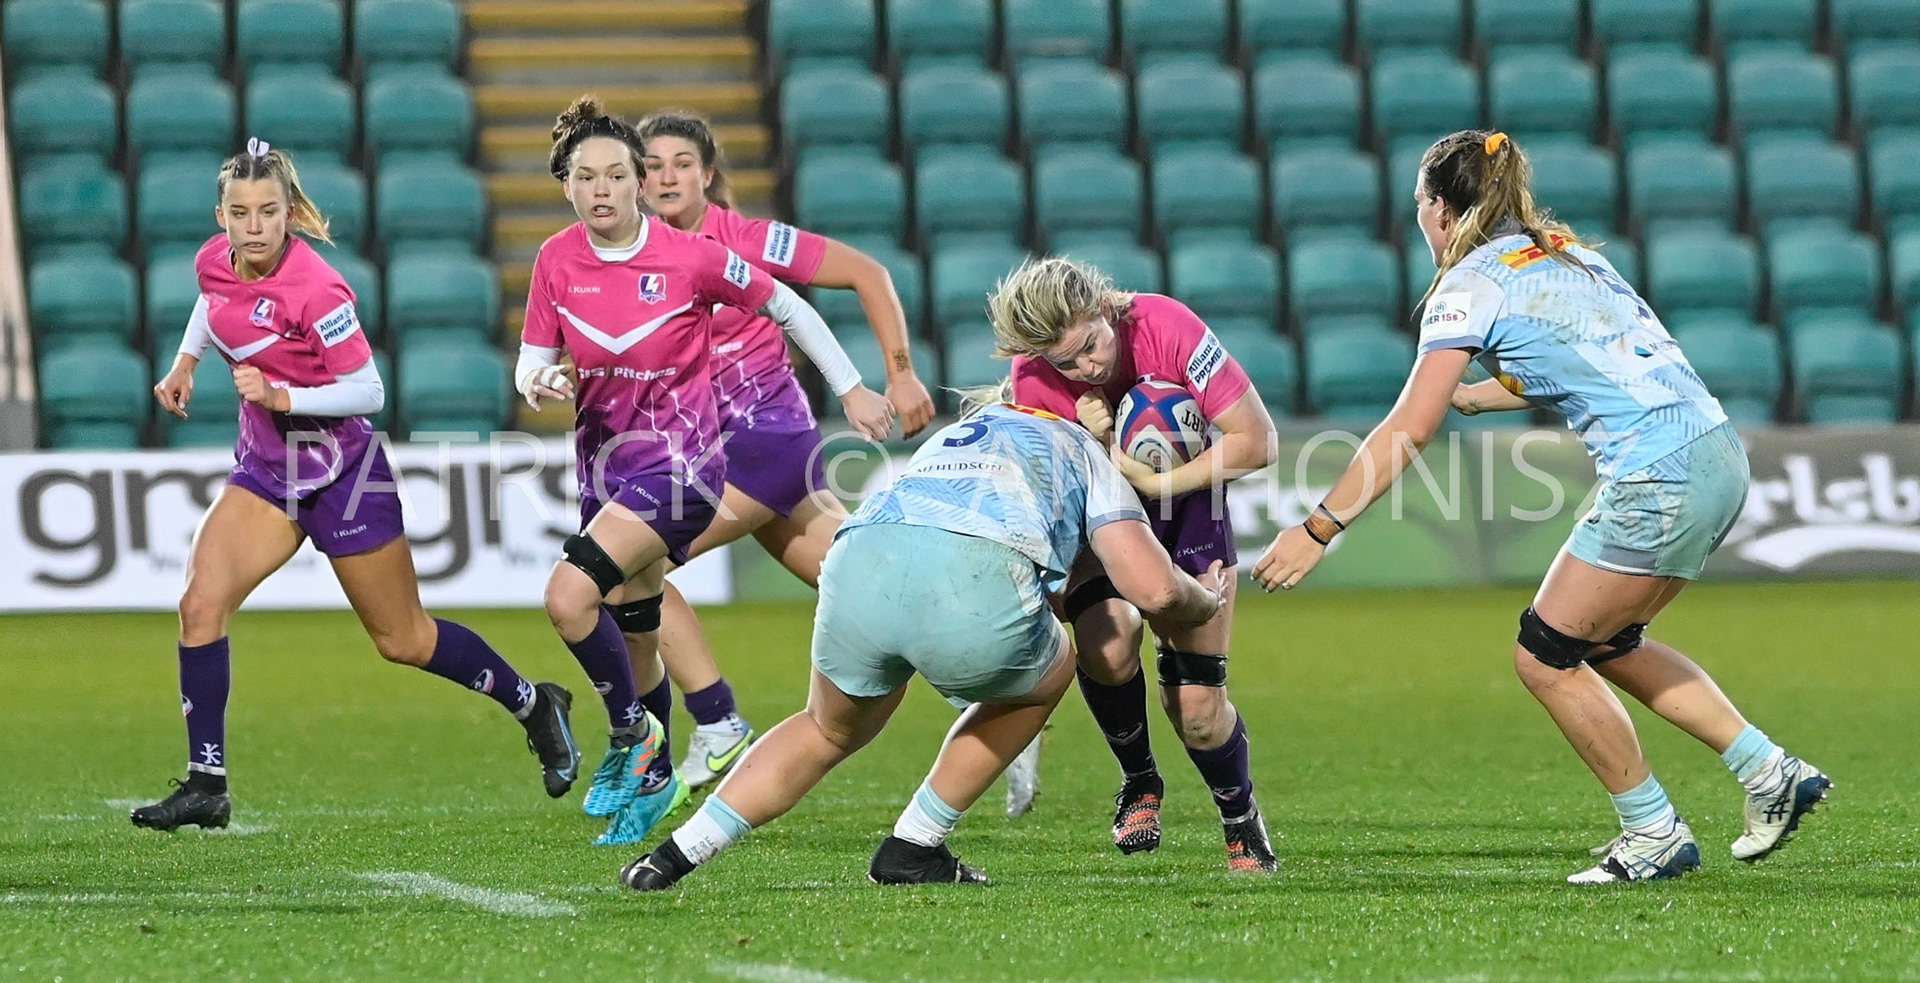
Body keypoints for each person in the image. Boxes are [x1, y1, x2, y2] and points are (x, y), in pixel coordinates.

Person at [1252, 130, 1831, 884]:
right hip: (1716, 451)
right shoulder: (1563, 251)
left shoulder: (1467, 285)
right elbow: (1599, 354)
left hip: (1657, 471)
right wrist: (1480, 396)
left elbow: (1408, 428)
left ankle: (1653, 831)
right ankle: (1769, 771)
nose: (1419, 220)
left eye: (1420, 205)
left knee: (1545, 654)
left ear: (1440, 208)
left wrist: (1318, 527)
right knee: (1607, 640)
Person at [133, 140, 580, 831]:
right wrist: (187, 360)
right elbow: (214, 300)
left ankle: (533, 702)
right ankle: (206, 781)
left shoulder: (318, 289)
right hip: (266, 473)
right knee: (199, 606)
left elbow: (370, 389)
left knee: (404, 638)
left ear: (289, 213)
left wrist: (281, 396)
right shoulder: (213, 260)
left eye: (268, 212)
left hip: (344, 474)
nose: (254, 226)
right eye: (240, 213)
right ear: (221, 217)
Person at [619, 396, 1228, 891]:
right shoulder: (1086, 452)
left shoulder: (969, 428)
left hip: (860, 553)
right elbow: (1154, 590)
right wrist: (1206, 601)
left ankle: (674, 856)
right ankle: (914, 845)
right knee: (1047, 677)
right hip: (971, 574)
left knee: (825, 728)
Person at [521, 99, 893, 846]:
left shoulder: (705, 251)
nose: (607, 188)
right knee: (639, 619)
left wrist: (856, 385)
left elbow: (798, 303)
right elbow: (532, 358)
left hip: (696, 463)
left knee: (573, 594)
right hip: (608, 466)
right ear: (567, 184)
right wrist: (541, 379)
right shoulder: (556, 258)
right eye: (588, 176)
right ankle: (660, 768)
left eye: (620, 174)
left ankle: (643, 734)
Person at [627, 108, 937, 797]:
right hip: (723, 454)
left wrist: (899, 373)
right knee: (871, 589)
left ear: (708, 174)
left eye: (683, 163)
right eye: (653, 166)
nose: (668, 176)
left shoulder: (749, 240)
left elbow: (867, 272)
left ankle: (716, 721)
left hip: (764, 444)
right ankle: (1006, 685)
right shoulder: (638, 258)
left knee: (631, 566)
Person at [993, 257, 1281, 870]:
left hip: (1190, 511)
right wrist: (1088, 441)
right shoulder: (1031, 380)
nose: (1087, 368)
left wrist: (1160, 480)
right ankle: (1140, 780)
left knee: (1197, 714)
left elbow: (1257, 441)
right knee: (1108, 642)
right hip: (1102, 519)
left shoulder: (1166, 325)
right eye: (1067, 363)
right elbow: (1044, 492)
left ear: (1104, 307)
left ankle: (1240, 818)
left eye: (1091, 346)